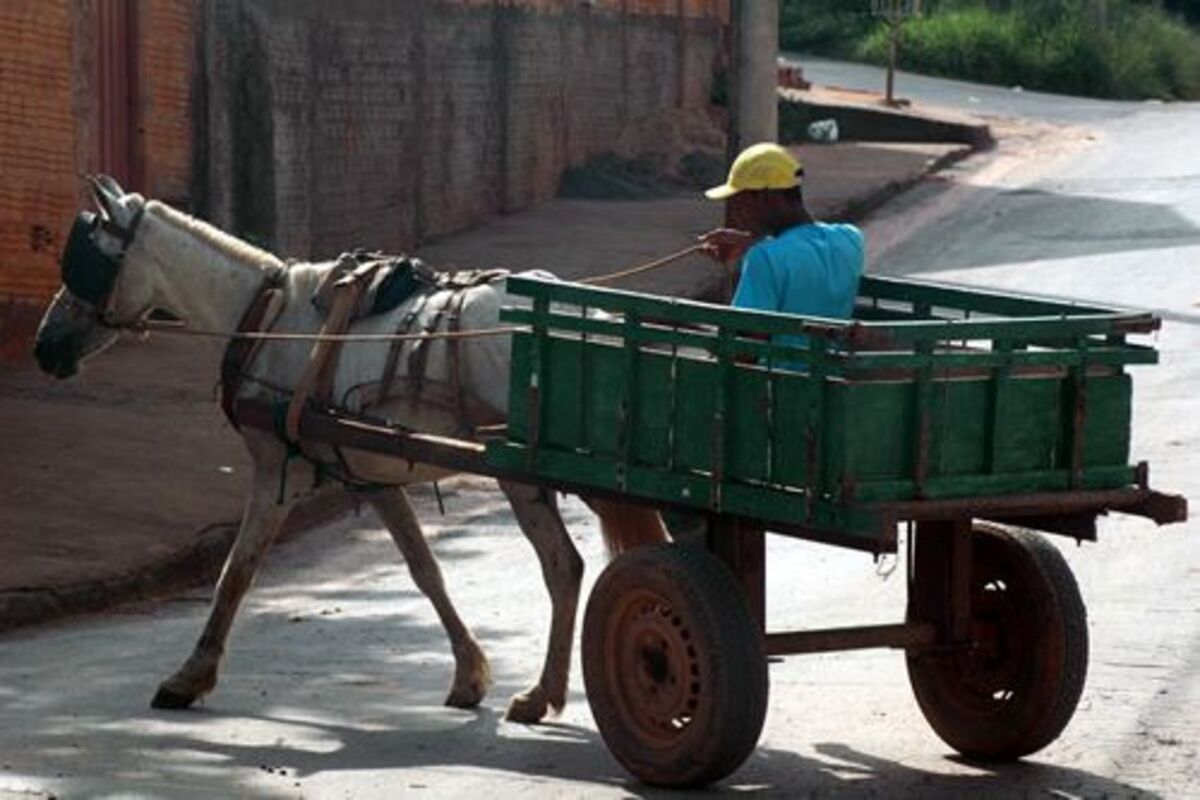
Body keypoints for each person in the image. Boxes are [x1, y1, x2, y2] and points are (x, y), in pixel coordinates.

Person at [699, 142, 865, 365]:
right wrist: (753, 242)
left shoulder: (764, 258)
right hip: (831, 377)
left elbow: (743, 351)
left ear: (766, 197)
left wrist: (680, 324)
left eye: (740, 203)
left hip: (780, 388)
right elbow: (803, 248)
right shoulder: (851, 239)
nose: (738, 214)